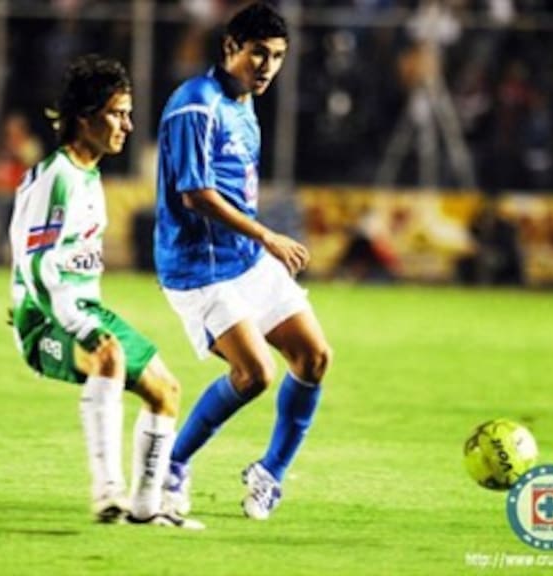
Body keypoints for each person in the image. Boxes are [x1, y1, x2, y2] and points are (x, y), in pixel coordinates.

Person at [154, 2, 332, 521]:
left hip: (246, 260)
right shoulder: (196, 104)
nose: (267, 66)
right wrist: (268, 236)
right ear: (230, 47)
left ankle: (270, 473)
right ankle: (172, 464)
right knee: (254, 373)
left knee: (314, 358)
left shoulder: (244, 103)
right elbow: (196, 195)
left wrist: (259, 244)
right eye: (258, 53)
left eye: (276, 56)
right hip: (198, 268)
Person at [9, 54, 203, 529]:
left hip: (83, 308)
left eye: (128, 113)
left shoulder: (89, 174)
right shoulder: (57, 176)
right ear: (85, 116)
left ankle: (145, 506)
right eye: (117, 113)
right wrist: (76, 324)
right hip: (45, 318)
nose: (128, 124)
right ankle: (107, 492)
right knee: (110, 356)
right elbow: (36, 263)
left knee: (166, 392)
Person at [0, 112, 42, 265]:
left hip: (19, 194)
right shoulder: (1, 145)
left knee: (19, 229)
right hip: (0, 192)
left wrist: (16, 151)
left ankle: (19, 260)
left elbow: (32, 164)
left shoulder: (29, 144)